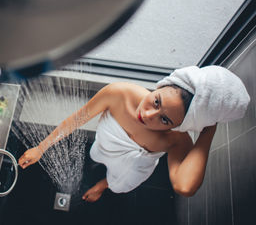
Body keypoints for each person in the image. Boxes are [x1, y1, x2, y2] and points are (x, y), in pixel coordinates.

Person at [18, 66, 250, 202]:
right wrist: (41, 148)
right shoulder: (119, 93)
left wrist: (209, 128)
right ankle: (105, 176)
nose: (148, 115)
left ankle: (104, 185)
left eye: (165, 119)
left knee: (119, 183)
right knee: (97, 154)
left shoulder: (177, 139)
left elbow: (185, 186)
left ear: (181, 125)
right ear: (161, 85)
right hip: (105, 146)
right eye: (156, 101)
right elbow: (77, 120)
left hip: (132, 170)